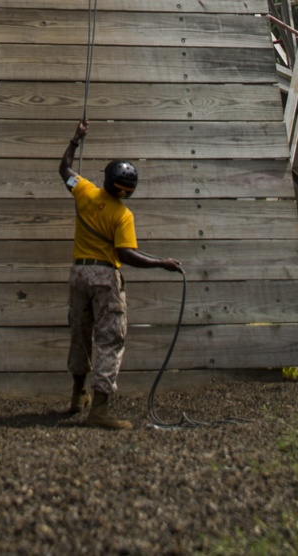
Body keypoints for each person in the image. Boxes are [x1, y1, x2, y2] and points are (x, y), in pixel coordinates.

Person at [59, 119, 181, 429]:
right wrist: (162, 263)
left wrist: (76, 139)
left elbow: (64, 169)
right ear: (127, 191)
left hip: (78, 275)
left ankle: (77, 396)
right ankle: (99, 410)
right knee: (110, 339)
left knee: (79, 335)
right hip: (104, 278)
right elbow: (126, 255)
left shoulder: (84, 191)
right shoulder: (123, 215)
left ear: (106, 179)